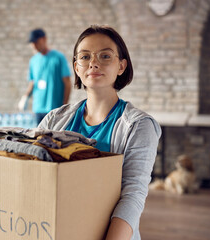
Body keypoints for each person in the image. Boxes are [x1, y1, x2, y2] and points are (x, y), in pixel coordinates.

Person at [38, 25, 161, 240]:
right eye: (85, 57)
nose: (93, 63)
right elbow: (35, 176)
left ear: (121, 66)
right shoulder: (53, 120)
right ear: (76, 67)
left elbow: (132, 196)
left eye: (105, 56)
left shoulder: (139, 126)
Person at [18, 28, 71, 125]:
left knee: (54, 138)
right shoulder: (33, 60)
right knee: (39, 137)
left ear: (44, 39)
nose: (34, 45)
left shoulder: (58, 58)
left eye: (36, 42)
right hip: (38, 107)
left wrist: (64, 106)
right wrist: (25, 97)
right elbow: (32, 82)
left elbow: (67, 82)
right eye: (32, 43)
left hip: (54, 108)